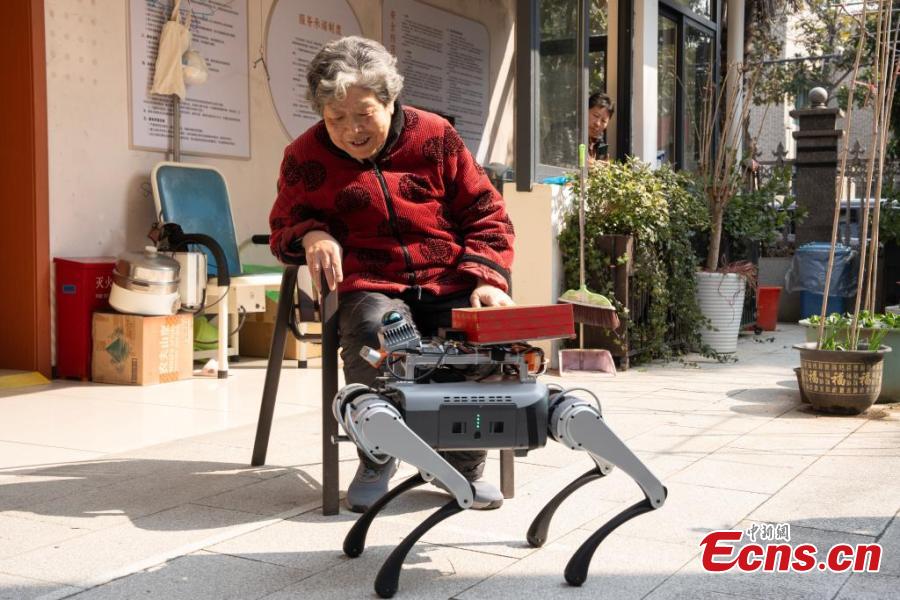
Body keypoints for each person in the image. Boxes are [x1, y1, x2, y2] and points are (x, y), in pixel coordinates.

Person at [268, 36, 515, 513]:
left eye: (364, 114)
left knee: (476, 339)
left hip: (450, 274)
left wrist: (486, 277)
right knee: (375, 337)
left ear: (390, 99)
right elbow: (282, 226)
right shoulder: (303, 157)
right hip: (370, 282)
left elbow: (486, 211)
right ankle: (378, 454)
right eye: (335, 118)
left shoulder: (435, 135)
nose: (350, 130)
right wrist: (312, 235)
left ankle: (463, 462)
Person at [587, 92, 615, 162]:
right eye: (596, 116)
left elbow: (601, 166)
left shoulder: (602, 144)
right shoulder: (569, 136)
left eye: (603, 121)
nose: (598, 123)